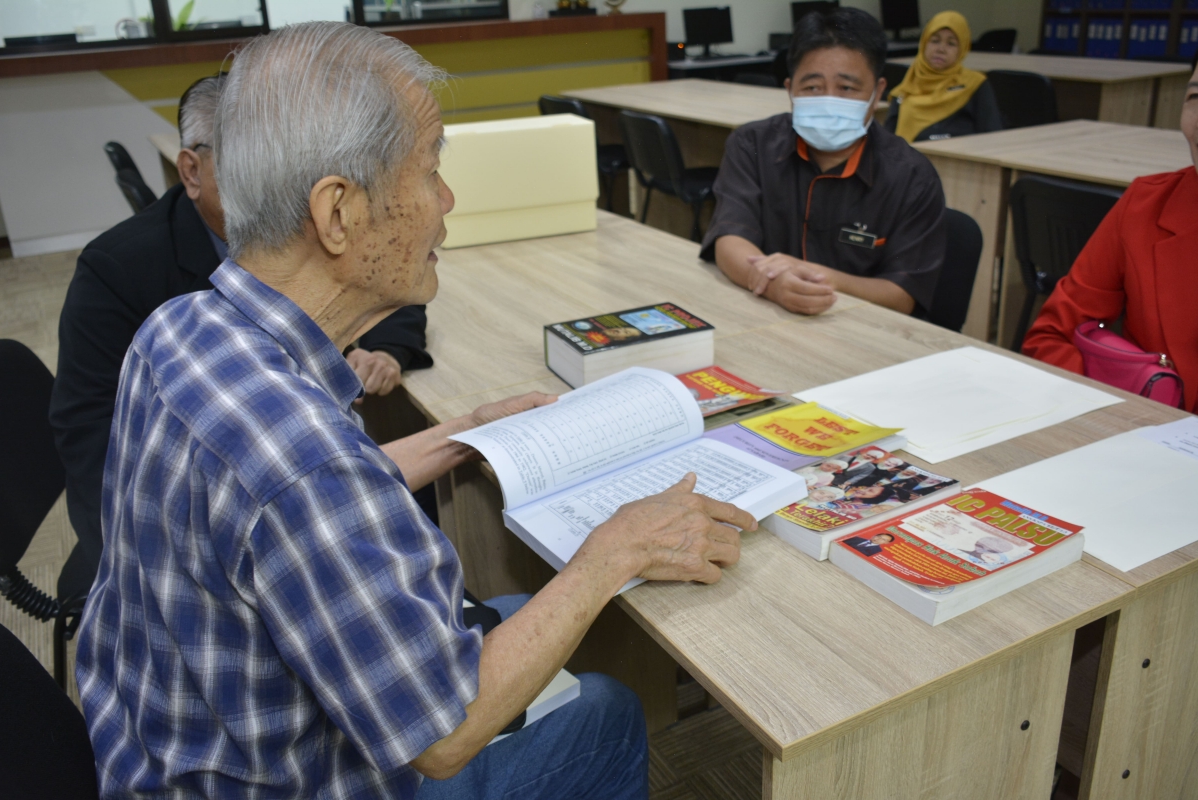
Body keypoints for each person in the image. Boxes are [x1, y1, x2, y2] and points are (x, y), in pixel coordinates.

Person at [75, 23, 755, 799]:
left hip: (163, 748)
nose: (447, 200)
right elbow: (442, 732)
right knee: (604, 711)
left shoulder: (180, 326)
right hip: (301, 780)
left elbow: (287, 509)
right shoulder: (306, 465)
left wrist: (462, 434)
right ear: (338, 213)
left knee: (512, 609)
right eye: (431, 169)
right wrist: (614, 553)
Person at [49, 73, 434, 598]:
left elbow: (387, 278)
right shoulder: (118, 269)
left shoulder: (303, 221)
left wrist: (388, 348)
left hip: (303, 463)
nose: (269, 177)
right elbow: (90, 430)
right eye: (246, 160)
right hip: (191, 522)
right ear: (191, 170)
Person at [700, 7, 945, 317]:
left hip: (859, 327)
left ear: (877, 92)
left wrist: (822, 278)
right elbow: (730, 239)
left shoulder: (912, 176)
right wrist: (773, 285)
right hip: (767, 314)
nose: (829, 101)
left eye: (847, 88)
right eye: (812, 88)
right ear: (790, 90)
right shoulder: (752, 145)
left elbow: (902, 295)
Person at [1022, 53, 1198, 415]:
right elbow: (1051, 337)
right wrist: (1114, 419)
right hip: (1150, 429)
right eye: (1196, 98)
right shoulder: (1145, 208)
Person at [884, 11, 1003, 143]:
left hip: (962, 154)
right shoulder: (908, 86)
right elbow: (887, 141)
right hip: (910, 155)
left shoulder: (975, 84)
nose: (941, 49)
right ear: (924, 43)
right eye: (935, 41)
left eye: (951, 44)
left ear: (962, 49)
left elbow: (993, 135)